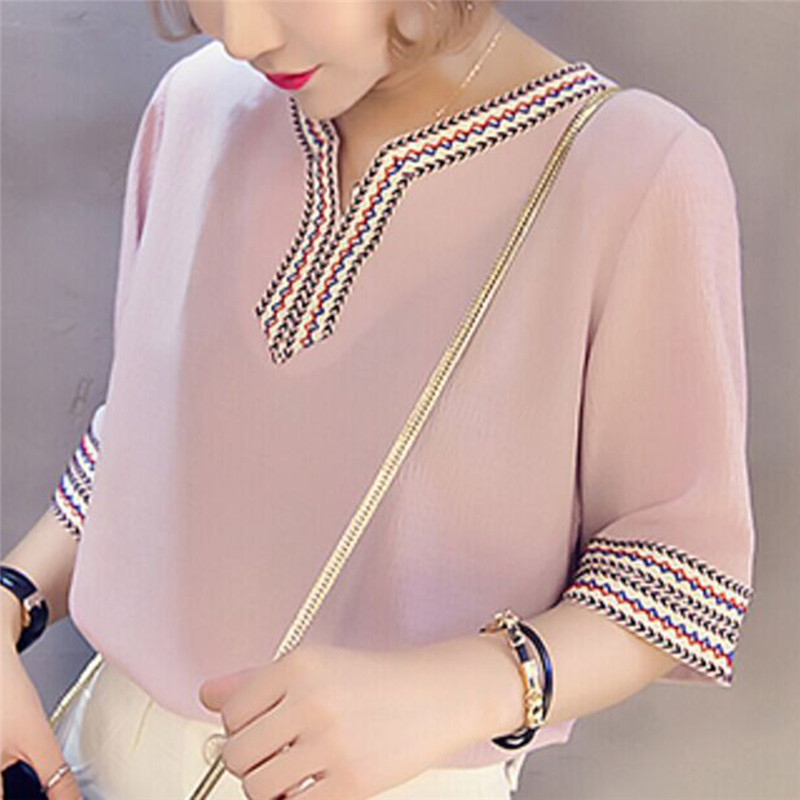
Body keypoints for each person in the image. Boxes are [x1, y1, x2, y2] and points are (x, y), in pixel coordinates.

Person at [1, 1, 757, 798]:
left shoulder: (632, 167)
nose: (242, 34)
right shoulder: (194, 105)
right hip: (86, 761)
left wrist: (458, 691)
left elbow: (676, 572)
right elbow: (142, 440)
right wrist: (12, 598)